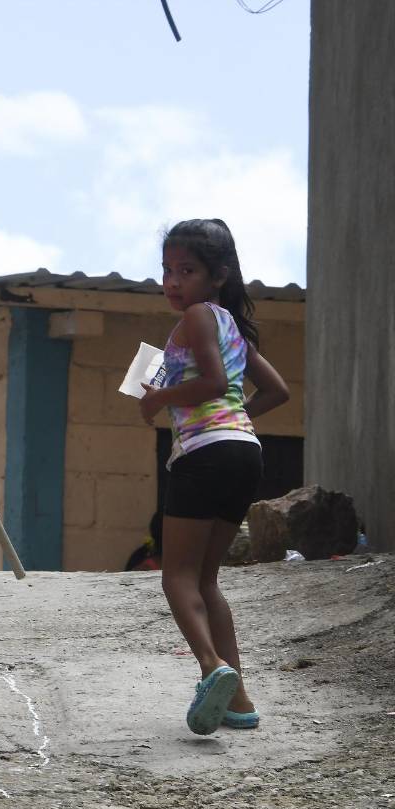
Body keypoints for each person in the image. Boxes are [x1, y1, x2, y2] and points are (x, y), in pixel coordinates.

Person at [138, 219, 288, 736]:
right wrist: (233, 421)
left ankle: (212, 667)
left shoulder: (199, 317)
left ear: (217, 274)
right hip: (244, 454)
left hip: (202, 457)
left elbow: (213, 382)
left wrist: (158, 398)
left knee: (176, 575)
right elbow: (276, 392)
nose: (173, 282)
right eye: (167, 270)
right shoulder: (230, 327)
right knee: (207, 579)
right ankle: (239, 701)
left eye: (187, 270)